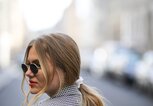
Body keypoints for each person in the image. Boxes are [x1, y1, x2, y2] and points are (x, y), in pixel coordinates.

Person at [21, 33, 104, 106]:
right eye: (27, 65)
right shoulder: (84, 101)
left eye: (38, 65)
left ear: (65, 68)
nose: (28, 73)